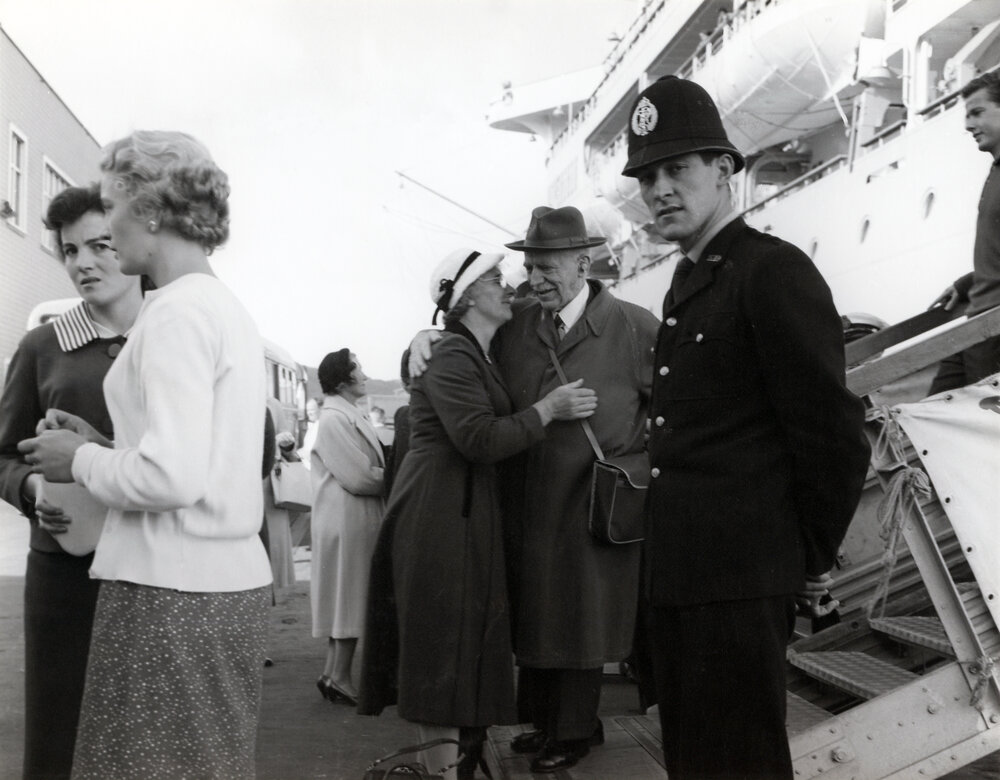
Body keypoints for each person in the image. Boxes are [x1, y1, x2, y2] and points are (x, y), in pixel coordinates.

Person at [620, 75, 870, 779]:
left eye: (677, 168)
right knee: (697, 763)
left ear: (724, 170)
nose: (659, 189)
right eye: (647, 176)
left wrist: (806, 557)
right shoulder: (691, 279)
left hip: (737, 580)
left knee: (740, 764)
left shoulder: (772, 272)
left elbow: (831, 433)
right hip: (684, 578)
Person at [18, 130, 272, 780]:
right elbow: (208, 464)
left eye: (114, 207)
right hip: (227, 582)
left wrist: (78, 459)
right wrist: (106, 448)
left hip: (169, 592)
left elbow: (172, 476)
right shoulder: (222, 306)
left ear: (151, 211)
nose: (107, 229)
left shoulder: (176, 316)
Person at [411, 207, 659, 773]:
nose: (534, 279)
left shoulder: (635, 326)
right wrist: (425, 334)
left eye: (547, 267)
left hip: (595, 498)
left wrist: (641, 466)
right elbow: (461, 334)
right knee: (540, 616)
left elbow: (673, 414)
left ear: (583, 262)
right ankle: (550, 724)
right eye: (529, 267)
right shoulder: (517, 322)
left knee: (584, 616)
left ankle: (572, 732)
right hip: (527, 499)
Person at [358, 248, 598, 779]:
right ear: (467, 297)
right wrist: (548, 409)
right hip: (439, 518)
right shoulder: (452, 355)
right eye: (494, 278)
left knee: (460, 646)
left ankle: (457, 767)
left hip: (461, 515)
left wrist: (423, 335)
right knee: (442, 651)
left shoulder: (474, 349)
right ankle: (448, 772)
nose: (507, 283)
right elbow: (478, 437)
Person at [0, 185, 143, 780]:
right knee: (61, 738)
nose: (84, 262)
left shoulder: (174, 332)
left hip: (152, 570)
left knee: (144, 736)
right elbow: (4, 454)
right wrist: (31, 492)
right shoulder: (42, 345)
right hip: (64, 576)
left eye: (101, 244)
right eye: (69, 250)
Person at [311, 348, 385, 706]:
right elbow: (359, 477)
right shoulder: (335, 420)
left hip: (348, 519)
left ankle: (332, 673)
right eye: (359, 369)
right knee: (351, 598)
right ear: (343, 381)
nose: (366, 375)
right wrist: (397, 477)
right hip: (348, 519)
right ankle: (339, 676)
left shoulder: (343, 414)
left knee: (345, 597)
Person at [928, 70, 1000, 393]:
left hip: (993, 328)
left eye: (977, 112)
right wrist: (967, 283)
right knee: (930, 416)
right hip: (977, 320)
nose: (967, 125)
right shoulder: (995, 170)